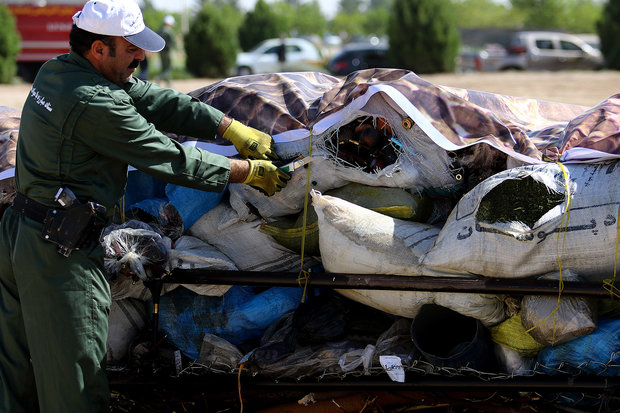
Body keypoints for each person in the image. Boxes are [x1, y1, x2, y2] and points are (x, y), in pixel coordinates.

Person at [0, 0, 289, 412]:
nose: (142, 55)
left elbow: (155, 100)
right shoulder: (95, 102)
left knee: (15, 374)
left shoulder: (59, 71)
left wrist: (227, 126)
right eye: (131, 46)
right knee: (74, 387)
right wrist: (248, 171)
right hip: (58, 251)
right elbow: (169, 157)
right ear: (99, 49)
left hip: (20, 233)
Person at [156, 15, 176, 86]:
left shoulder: (160, 30)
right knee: (167, 68)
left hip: (161, 51)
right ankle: (160, 78)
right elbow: (173, 42)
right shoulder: (169, 31)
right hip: (168, 52)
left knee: (164, 67)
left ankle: (168, 83)